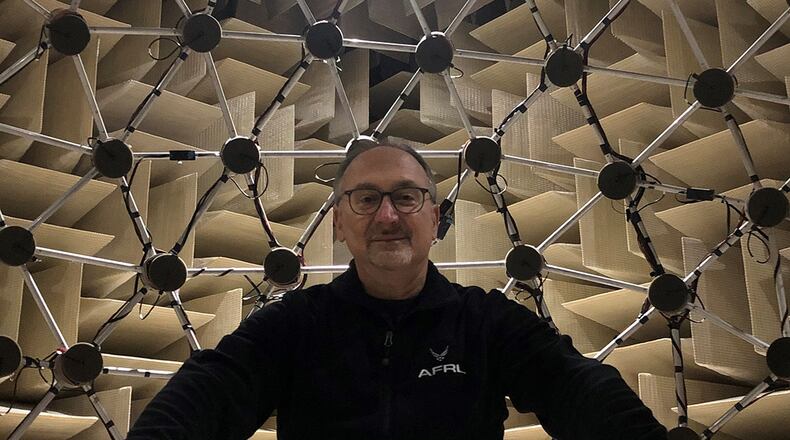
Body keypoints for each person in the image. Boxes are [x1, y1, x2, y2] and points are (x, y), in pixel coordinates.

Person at [127, 143, 668, 439]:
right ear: (338, 222)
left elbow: (572, 384)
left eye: (407, 197)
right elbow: (214, 388)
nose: (388, 215)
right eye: (366, 199)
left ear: (436, 217)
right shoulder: (296, 324)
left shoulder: (486, 322)